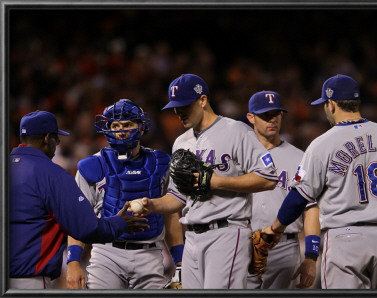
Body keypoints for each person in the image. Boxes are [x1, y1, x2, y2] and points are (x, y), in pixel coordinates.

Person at [131, 73, 278, 289]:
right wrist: (151, 205)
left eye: (184, 106)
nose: (178, 112)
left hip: (226, 232)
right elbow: (177, 197)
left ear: (203, 100)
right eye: (175, 107)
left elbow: (267, 177)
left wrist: (216, 182)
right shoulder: (181, 142)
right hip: (191, 236)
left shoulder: (236, 131)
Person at [262, 74, 377, 289]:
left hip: (347, 240)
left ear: (331, 104)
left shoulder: (323, 144)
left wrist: (276, 228)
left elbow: (298, 197)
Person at [9, 110, 150, 290]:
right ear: (46, 138)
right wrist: (120, 223)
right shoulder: (53, 174)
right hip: (27, 279)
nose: (58, 142)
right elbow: (85, 227)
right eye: (55, 137)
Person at [65, 99, 184, 289]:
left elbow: (170, 216)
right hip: (106, 253)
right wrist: (73, 262)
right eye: (115, 125)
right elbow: (79, 219)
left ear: (141, 127)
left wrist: (180, 263)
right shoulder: (92, 166)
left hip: (150, 253)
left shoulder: (161, 164)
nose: (121, 130)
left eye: (128, 124)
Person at [245, 91, 320, 289]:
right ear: (251, 117)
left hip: (284, 247)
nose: (272, 120)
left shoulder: (300, 158)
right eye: (265, 115)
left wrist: (311, 257)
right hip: (243, 243)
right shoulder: (239, 155)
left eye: (276, 114)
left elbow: (310, 208)